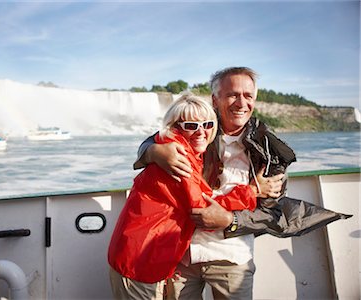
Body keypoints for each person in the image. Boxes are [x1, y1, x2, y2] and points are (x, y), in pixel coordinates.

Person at [135, 67, 350, 299]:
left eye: (248, 96)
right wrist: (153, 151)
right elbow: (154, 141)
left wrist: (230, 220)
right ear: (215, 100)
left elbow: (271, 212)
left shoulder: (268, 151)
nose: (241, 103)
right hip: (180, 254)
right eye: (232, 95)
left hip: (232, 257)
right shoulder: (197, 127)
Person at [108, 94, 261, 300]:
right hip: (139, 259)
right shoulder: (177, 159)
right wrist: (252, 192)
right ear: (174, 126)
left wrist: (152, 150)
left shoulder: (179, 151)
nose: (201, 132)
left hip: (149, 255)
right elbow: (203, 209)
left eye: (207, 124)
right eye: (191, 125)